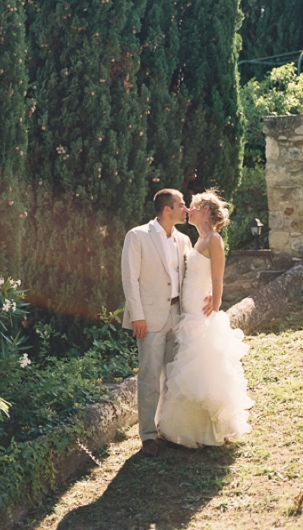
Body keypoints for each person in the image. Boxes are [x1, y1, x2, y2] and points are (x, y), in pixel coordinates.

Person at [158, 191, 253, 448]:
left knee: (200, 364)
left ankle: (205, 430)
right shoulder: (196, 239)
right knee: (188, 365)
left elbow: (217, 277)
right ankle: (191, 428)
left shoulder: (214, 240)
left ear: (207, 211)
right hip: (187, 308)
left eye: (195, 206)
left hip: (201, 310)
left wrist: (217, 303)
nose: (189, 209)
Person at [121, 189, 194, 457]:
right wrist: (137, 316)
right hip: (149, 318)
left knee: (174, 375)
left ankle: (169, 427)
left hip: (178, 314)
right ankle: (148, 435)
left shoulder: (184, 240)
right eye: (181, 204)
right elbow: (130, 279)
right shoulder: (137, 236)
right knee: (149, 376)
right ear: (167, 209)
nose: (185, 209)